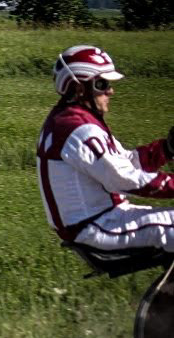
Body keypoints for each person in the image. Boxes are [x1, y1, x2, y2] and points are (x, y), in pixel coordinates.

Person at [36, 45, 174, 253]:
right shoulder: (78, 129)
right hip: (96, 226)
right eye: (102, 84)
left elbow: (125, 161)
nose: (110, 90)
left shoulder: (73, 120)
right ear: (79, 88)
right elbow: (123, 178)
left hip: (103, 218)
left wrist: (167, 148)